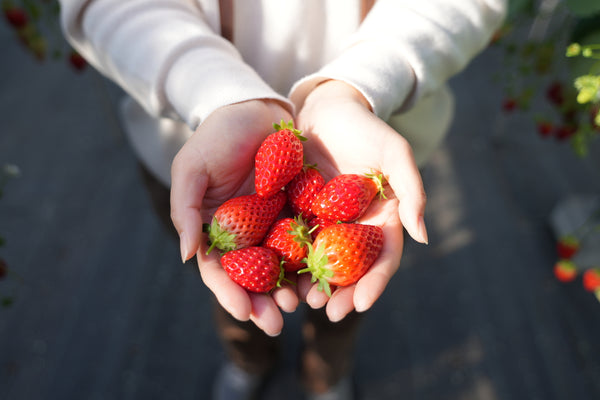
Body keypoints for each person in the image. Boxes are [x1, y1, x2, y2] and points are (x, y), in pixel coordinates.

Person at [59, 0, 507, 398]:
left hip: (373, 136)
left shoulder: (293, 201)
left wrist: (358, 85)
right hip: (204, 162)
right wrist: (213, 93)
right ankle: (248, 360)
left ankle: (325, 375)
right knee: (232, 294)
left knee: (342, 303)